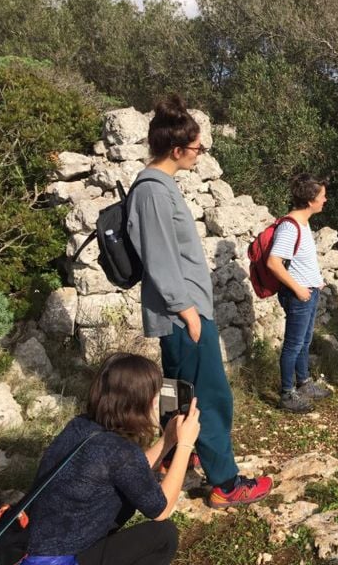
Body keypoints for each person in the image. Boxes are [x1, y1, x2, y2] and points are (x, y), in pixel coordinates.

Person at [126, 94, 271, 507]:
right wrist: (187, 311)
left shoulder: (159, 186)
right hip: (181, 311)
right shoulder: (153, 190)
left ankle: (174, 457)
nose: (199, 154)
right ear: (176, 150)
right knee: (208, 395)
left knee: (176, 390)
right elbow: (160, 257)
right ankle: (226, 482)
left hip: (179, 310)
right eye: (197, 149)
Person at [21, 353, 199, 565]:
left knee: (125, 498)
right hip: (60, 560)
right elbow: (161, 510)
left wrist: (168, 440)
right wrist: (186, 446)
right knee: (164, 536)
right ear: (143, 401)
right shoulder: (119, 451)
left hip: (36, 543)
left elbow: (130, 469)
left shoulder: (80, 426)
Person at [267, 173, 332, 413]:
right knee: (293, 345)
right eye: (322, 196)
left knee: (304, 342)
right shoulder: (290, 226)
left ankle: (303, 383)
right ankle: (286, 394)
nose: (325, 200)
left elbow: (300, 261)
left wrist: (315, 282)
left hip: (308, 291)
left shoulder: (303, 223)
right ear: (310, 200)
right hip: (298, 296)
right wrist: (298, 289)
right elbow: (273, 263)